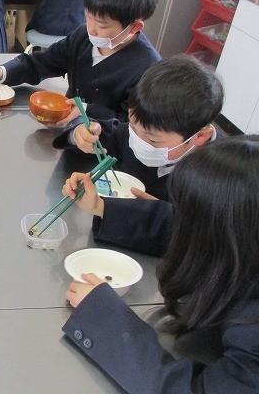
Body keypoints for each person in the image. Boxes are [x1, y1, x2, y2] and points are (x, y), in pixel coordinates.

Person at [61, 135, 259, 393]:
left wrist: (102, 316)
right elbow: (185, 228)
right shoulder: (244, 239)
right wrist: (103, 207)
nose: (181, 222)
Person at [0, 0, 162, 124]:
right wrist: (3, 72)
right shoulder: (82, 37)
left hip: (99, 144)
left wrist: (87, 111)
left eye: (102, 25)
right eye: (88, 16)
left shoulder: (148, 69)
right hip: (66, 131)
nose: (91, 28)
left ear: (134, 27)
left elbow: (133, 126)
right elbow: (41, 63)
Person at [52, 55, 223, 203]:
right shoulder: (138, 131)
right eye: (133, 126)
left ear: (200, 136)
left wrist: (158, 214)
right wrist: (78, 133)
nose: (138, 141)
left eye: (153, 140)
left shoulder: (220, 180)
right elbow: (102, 134)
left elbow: (202, 228)